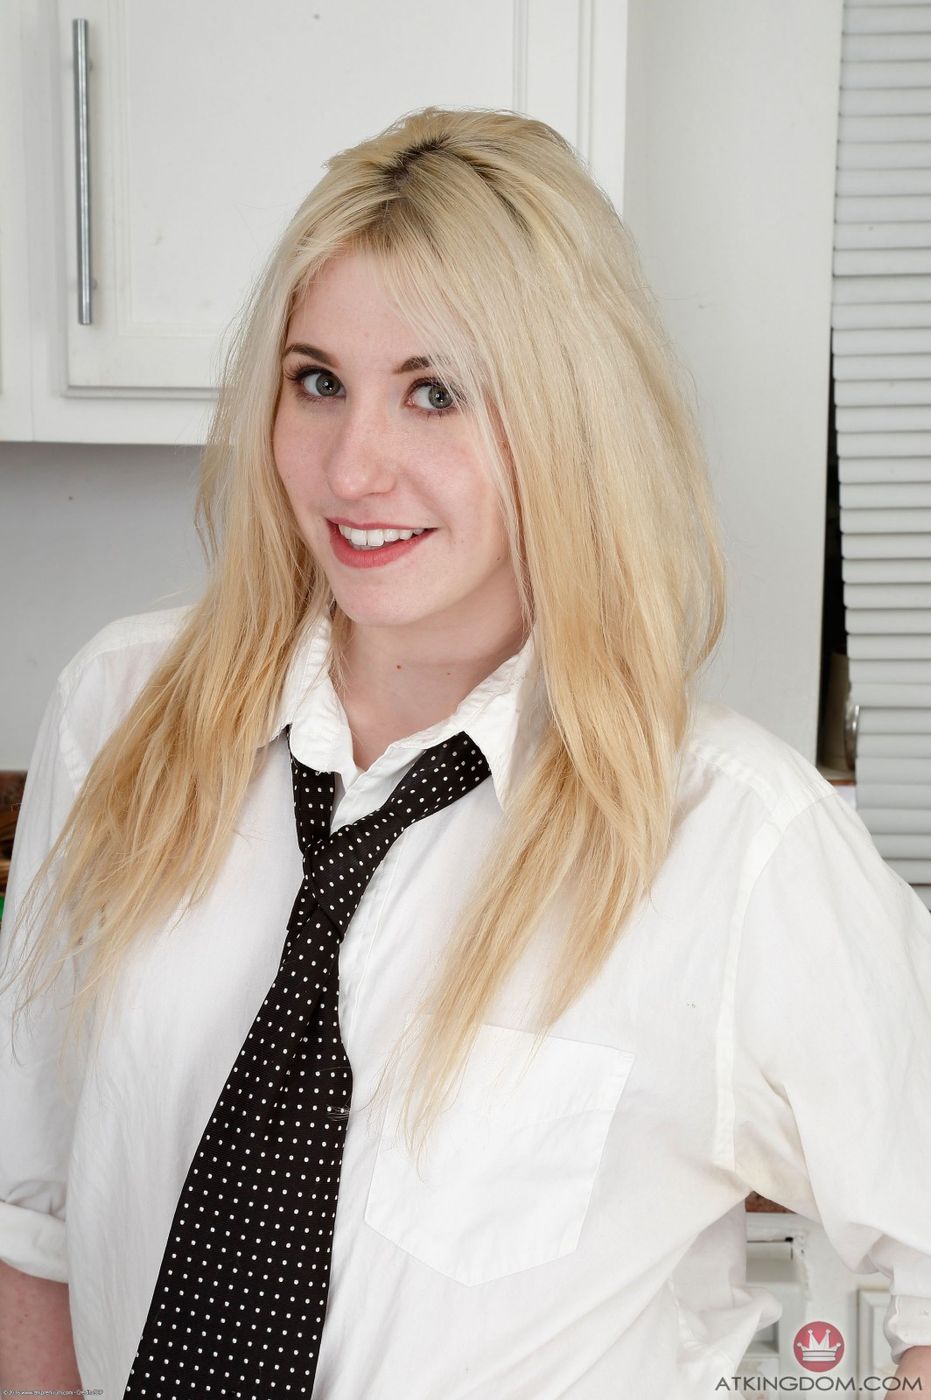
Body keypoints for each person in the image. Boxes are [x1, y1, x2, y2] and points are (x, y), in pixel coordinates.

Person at [1, 105, 930, 1399]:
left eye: (434, 392)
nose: (353, 467)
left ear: (571, 423)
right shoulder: (121, 715)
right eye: (317, 381)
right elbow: (33, 1220)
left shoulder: (736, 843)